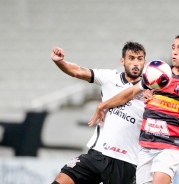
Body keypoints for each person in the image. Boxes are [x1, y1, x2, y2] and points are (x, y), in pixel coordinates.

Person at [89, 34, 179, 184]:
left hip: (169, 145)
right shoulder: (157, 75)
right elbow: (131, 93)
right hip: (145, 145)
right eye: (173, 47)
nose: (174, 51)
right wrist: (103, 105)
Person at [50, 41, 147, 184]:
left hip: (126, 162)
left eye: (140, 59)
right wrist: (60, 62)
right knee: (62, 179)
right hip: (98, 154)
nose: (136, 63)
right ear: (122, 61)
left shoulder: (150, 91)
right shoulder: (110, 77)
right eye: (131, 58)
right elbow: (78, 71)